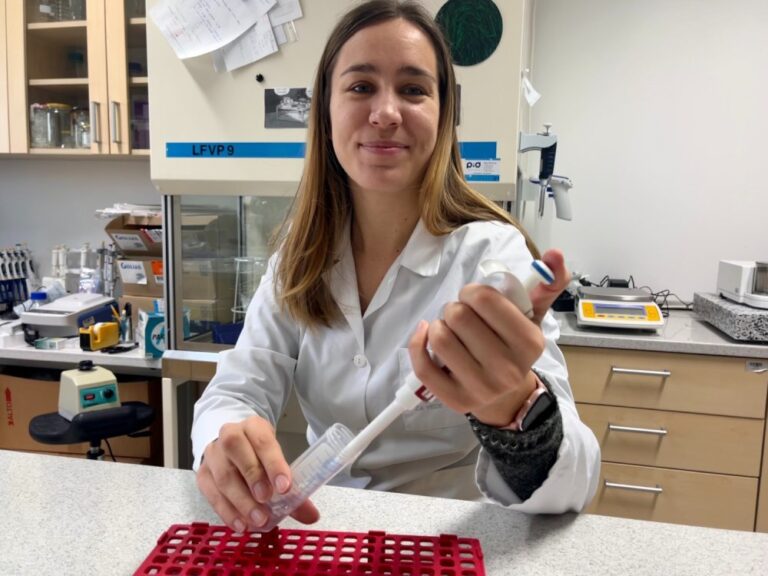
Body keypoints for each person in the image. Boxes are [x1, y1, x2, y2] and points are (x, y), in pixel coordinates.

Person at [192, 0, 600, 533]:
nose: (386, 112)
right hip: (326, 538)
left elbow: (575, 487)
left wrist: (516, 411)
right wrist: (227, 440)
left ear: (444, 115)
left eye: (413, 89)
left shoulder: (491, 257)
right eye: (361, 87)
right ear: (326, 113)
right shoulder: (299, 254)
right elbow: (237, 388)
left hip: (447, 544)